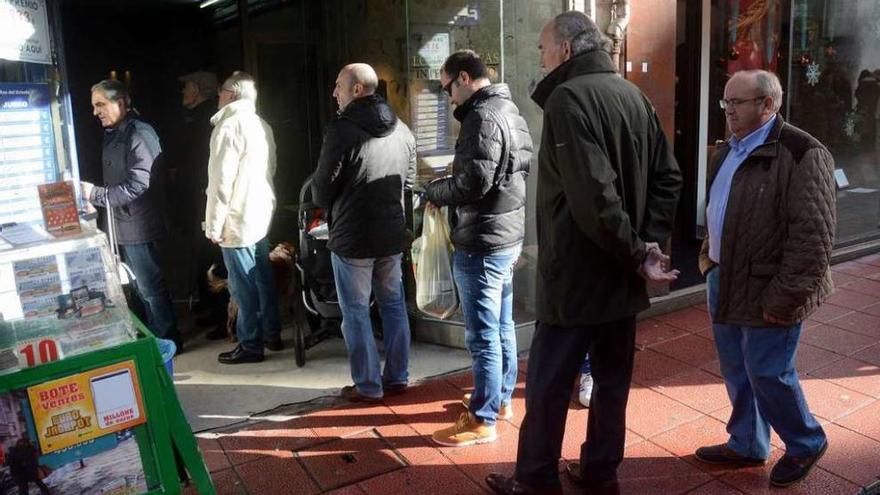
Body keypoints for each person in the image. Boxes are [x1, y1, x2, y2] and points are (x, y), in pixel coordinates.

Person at [486, 11, 682, 495]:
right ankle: (599, 471)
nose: (540, 55)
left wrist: (638, 251)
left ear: (567, 49)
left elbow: (594, 196)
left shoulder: (569, 99)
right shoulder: (632, 95)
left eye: (542, 47)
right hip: (619, 277)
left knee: (551, 386)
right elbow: (668, 178)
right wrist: (645, 246)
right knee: (612, 384)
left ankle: (535, 480)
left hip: (577, 278)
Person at [693, 70, 833, 487]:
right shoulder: (728, 149)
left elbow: (814, 238)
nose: (728, 111)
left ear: (768, 105)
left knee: (769, 371)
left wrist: (785, 298)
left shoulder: (802, 152)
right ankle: (748, 443)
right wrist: (709, 259)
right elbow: (720, 207)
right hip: (725, 275)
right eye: (725, 102)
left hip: (771, 286)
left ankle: (806, 441)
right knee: (736, 368)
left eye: (737, 103)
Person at [422, 50, 533, 447]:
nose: (448, 98)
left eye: (448, 88)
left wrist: (433, 190)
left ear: (465, 78)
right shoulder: (509, 108)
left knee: (483, 335)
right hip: (505, 236)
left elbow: (473, 183)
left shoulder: (481, 117)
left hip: (482, 242)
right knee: (501, 327)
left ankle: (482, 419)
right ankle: (500, 399)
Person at [312, 63, 416, 402]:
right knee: (393, 305)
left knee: (355, 311)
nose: (333, 94)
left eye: (338, 86)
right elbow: (410, 182)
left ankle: (368, 385)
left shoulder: (341, 130)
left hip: (353, 236)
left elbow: (321, 190)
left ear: (357, 89)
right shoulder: (401, 128)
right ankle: (397, 377)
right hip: (391, 234)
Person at [82, 80, 181, 350]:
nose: (95, 112)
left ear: (121, 103)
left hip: (140, 224)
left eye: (100, 104)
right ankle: (155, 338)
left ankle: (167, 341)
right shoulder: (116, 132)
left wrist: (97, 195)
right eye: (94, 105)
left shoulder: (139, 133)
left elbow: (139, 184)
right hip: (125, 223)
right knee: (139, 287)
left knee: (150, 287)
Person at [206, 71, 282, 364]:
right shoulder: (261, 124)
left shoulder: (228, 126)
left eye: (221, 91)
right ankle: (271, 333)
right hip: (261, 211)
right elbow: (271, 167)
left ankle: (250, 343)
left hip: (237, 217)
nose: (218, 96)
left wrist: (213, 224)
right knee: (262, 277)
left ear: (232, 95)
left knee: (242, 285)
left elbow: (220, 182)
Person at [174, 71, 230, 340]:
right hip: (201, 199)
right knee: (207, 258)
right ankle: (214, 311)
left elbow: (204, 166)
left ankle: (223, 319)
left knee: (213, 261)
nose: (183, 92)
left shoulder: (206, 121)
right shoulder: (201, 118)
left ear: (198, 91)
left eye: (187, 88)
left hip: (205, 201)